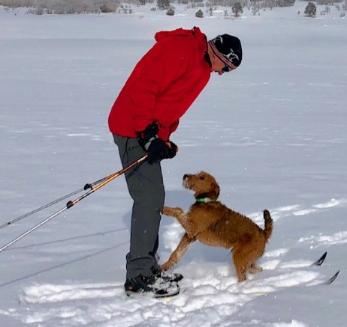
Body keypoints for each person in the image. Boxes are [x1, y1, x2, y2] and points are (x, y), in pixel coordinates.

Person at [108, 27, 242, 296]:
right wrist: (147, 134)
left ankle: (146, 265)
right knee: (149, 199)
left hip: (145, 131)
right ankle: (138, 276)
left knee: (154, 198)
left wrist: (163, 138)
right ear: (218, 52)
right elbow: (144, 86)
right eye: (224, 68)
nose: (221, 74)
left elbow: (172, 107)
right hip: (130, 126)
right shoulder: (180, 50)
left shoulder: (203, 70)